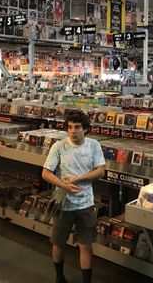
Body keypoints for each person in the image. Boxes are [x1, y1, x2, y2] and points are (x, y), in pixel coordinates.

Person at [42, 110, 106, 283]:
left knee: (85, 245)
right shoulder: (58, 146)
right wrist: (63, 185)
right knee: (58, 243)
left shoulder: (94, 145)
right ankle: (59, 277)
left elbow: (100, 171)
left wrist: (77, 179)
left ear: (85, 129)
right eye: (69, 127)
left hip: (86, 204)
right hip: (63, 203)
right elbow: (46, 173)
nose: (72, 131)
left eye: (77, 127)